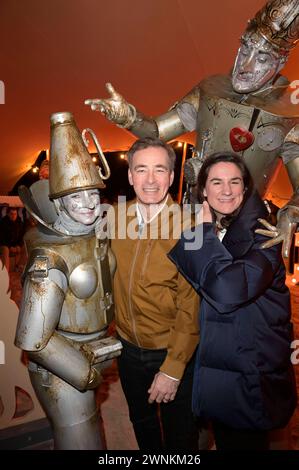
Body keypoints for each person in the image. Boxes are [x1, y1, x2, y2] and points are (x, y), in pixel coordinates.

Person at [85, 0, 299, 259]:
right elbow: (157, 132)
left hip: (245, 229)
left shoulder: (290, 114)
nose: (246, 65)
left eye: (262, 58)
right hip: (193, 217)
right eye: (244, 50)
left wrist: (290, 214)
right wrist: (130, 117)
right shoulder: (210, 90)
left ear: (280, 63)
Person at [168, 151, 297, 450]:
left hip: (250, 375)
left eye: (234, 182)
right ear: (203, 190)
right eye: (216, 182)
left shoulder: (265, 232)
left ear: (245, 187)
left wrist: (200, 234)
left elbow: (227, 292)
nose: (226, 190)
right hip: (228, 370)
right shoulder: (219, 228)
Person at [15, 112, 121, 450]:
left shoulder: (93, 235)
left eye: (92, 194)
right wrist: (83, 371)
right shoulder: (50, 257)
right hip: (62, 368)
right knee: (82, 438)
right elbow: (35, 339)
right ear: (58, 202)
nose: (89, 205)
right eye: (76, 197)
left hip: (90, 349)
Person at [108, 137, 200, 451]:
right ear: (131, 175)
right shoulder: (115, 219)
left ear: (171, 177)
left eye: (159, 170)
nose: (150, 180)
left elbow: (193, 305)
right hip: (127, 349)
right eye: (141, 170)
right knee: (141, 422)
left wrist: (173, 369)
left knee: (180, 435)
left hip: (172, 351)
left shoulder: (190, 228)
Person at [0, 207, 24, 272]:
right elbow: (2, 238)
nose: (13, 216)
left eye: (15, 214)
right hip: (4, 245)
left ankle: (18, 266)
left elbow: (21, 236)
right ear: (8, 214)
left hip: (15, 245)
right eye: (11, 214)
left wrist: (19, 245)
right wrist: (10, 247)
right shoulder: (3, 223)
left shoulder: (19, 223)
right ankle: (5, 272)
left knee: (25, 247)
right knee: (5, 250)